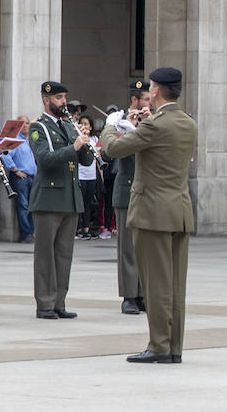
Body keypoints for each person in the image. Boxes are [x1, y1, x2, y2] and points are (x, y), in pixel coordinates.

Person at [101, 66, 197, 364]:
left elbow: (113, 149)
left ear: (155, 91)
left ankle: (158, 346)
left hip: (152, 212)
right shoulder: (186, 122)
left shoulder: (155, 126)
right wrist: (144, 124)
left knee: (156, 283)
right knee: (175, 286)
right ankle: (174, 346)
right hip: (178, 210)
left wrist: (110, 125)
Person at [29, 81, 94, 319]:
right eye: (58, 98)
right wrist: (74, 147)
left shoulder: (68, 126)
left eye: (65, 97)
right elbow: (44, 159)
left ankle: (59, 301)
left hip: (69, 197)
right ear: (46, 100)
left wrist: (85, 144)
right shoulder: (38, 127)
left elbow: (85, 161)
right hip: (48, 197)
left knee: (64, 253)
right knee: (46, 254)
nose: (63, 102)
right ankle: (45, 303)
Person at [112, 81, 150, 313]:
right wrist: (129, 126)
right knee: (127, 247)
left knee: (146, 247)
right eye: (146, 99)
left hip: (148, 191)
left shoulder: (153, 122)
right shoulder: (120, 122)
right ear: (135, 101)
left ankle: (144, 293)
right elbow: (113, 149)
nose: (149, 104)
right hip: (127, 190)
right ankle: (129, 295)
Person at [0, 115, 36, 243]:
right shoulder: (14, 139)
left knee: (33, 206)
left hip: (33, 177)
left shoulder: (31, 139)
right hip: (21, 177)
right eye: (22, 123)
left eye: (27, 122)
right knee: (23, 206)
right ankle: (26, 234)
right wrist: (15, 170)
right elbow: (4, 155)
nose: (25, 125)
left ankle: (32, 232)